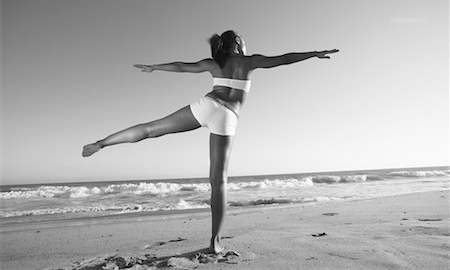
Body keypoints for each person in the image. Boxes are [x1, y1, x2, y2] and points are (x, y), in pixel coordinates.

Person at [82, 30, 338, 253]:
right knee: (219, 181)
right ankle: (215, 241)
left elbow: (183, 66)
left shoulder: (214, 62)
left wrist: (155, 67)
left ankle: (101, 143)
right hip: (227, 117)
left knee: (151, 129)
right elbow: (283, 59)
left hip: (207, 105)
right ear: (237, 42)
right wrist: (314, 53)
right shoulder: (249, 61)